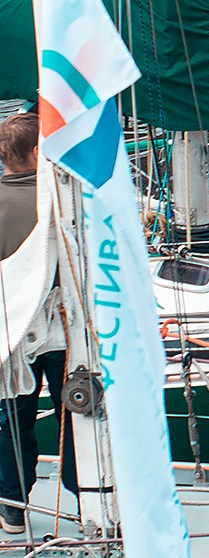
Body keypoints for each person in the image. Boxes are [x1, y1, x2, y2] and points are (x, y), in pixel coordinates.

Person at [0, 113, 69, 535]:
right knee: (79, 413)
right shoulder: (64, 201)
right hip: (62, 329)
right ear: (39, 153)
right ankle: (92, 493)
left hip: (9, 335)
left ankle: (12, 506)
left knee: (11, 421)